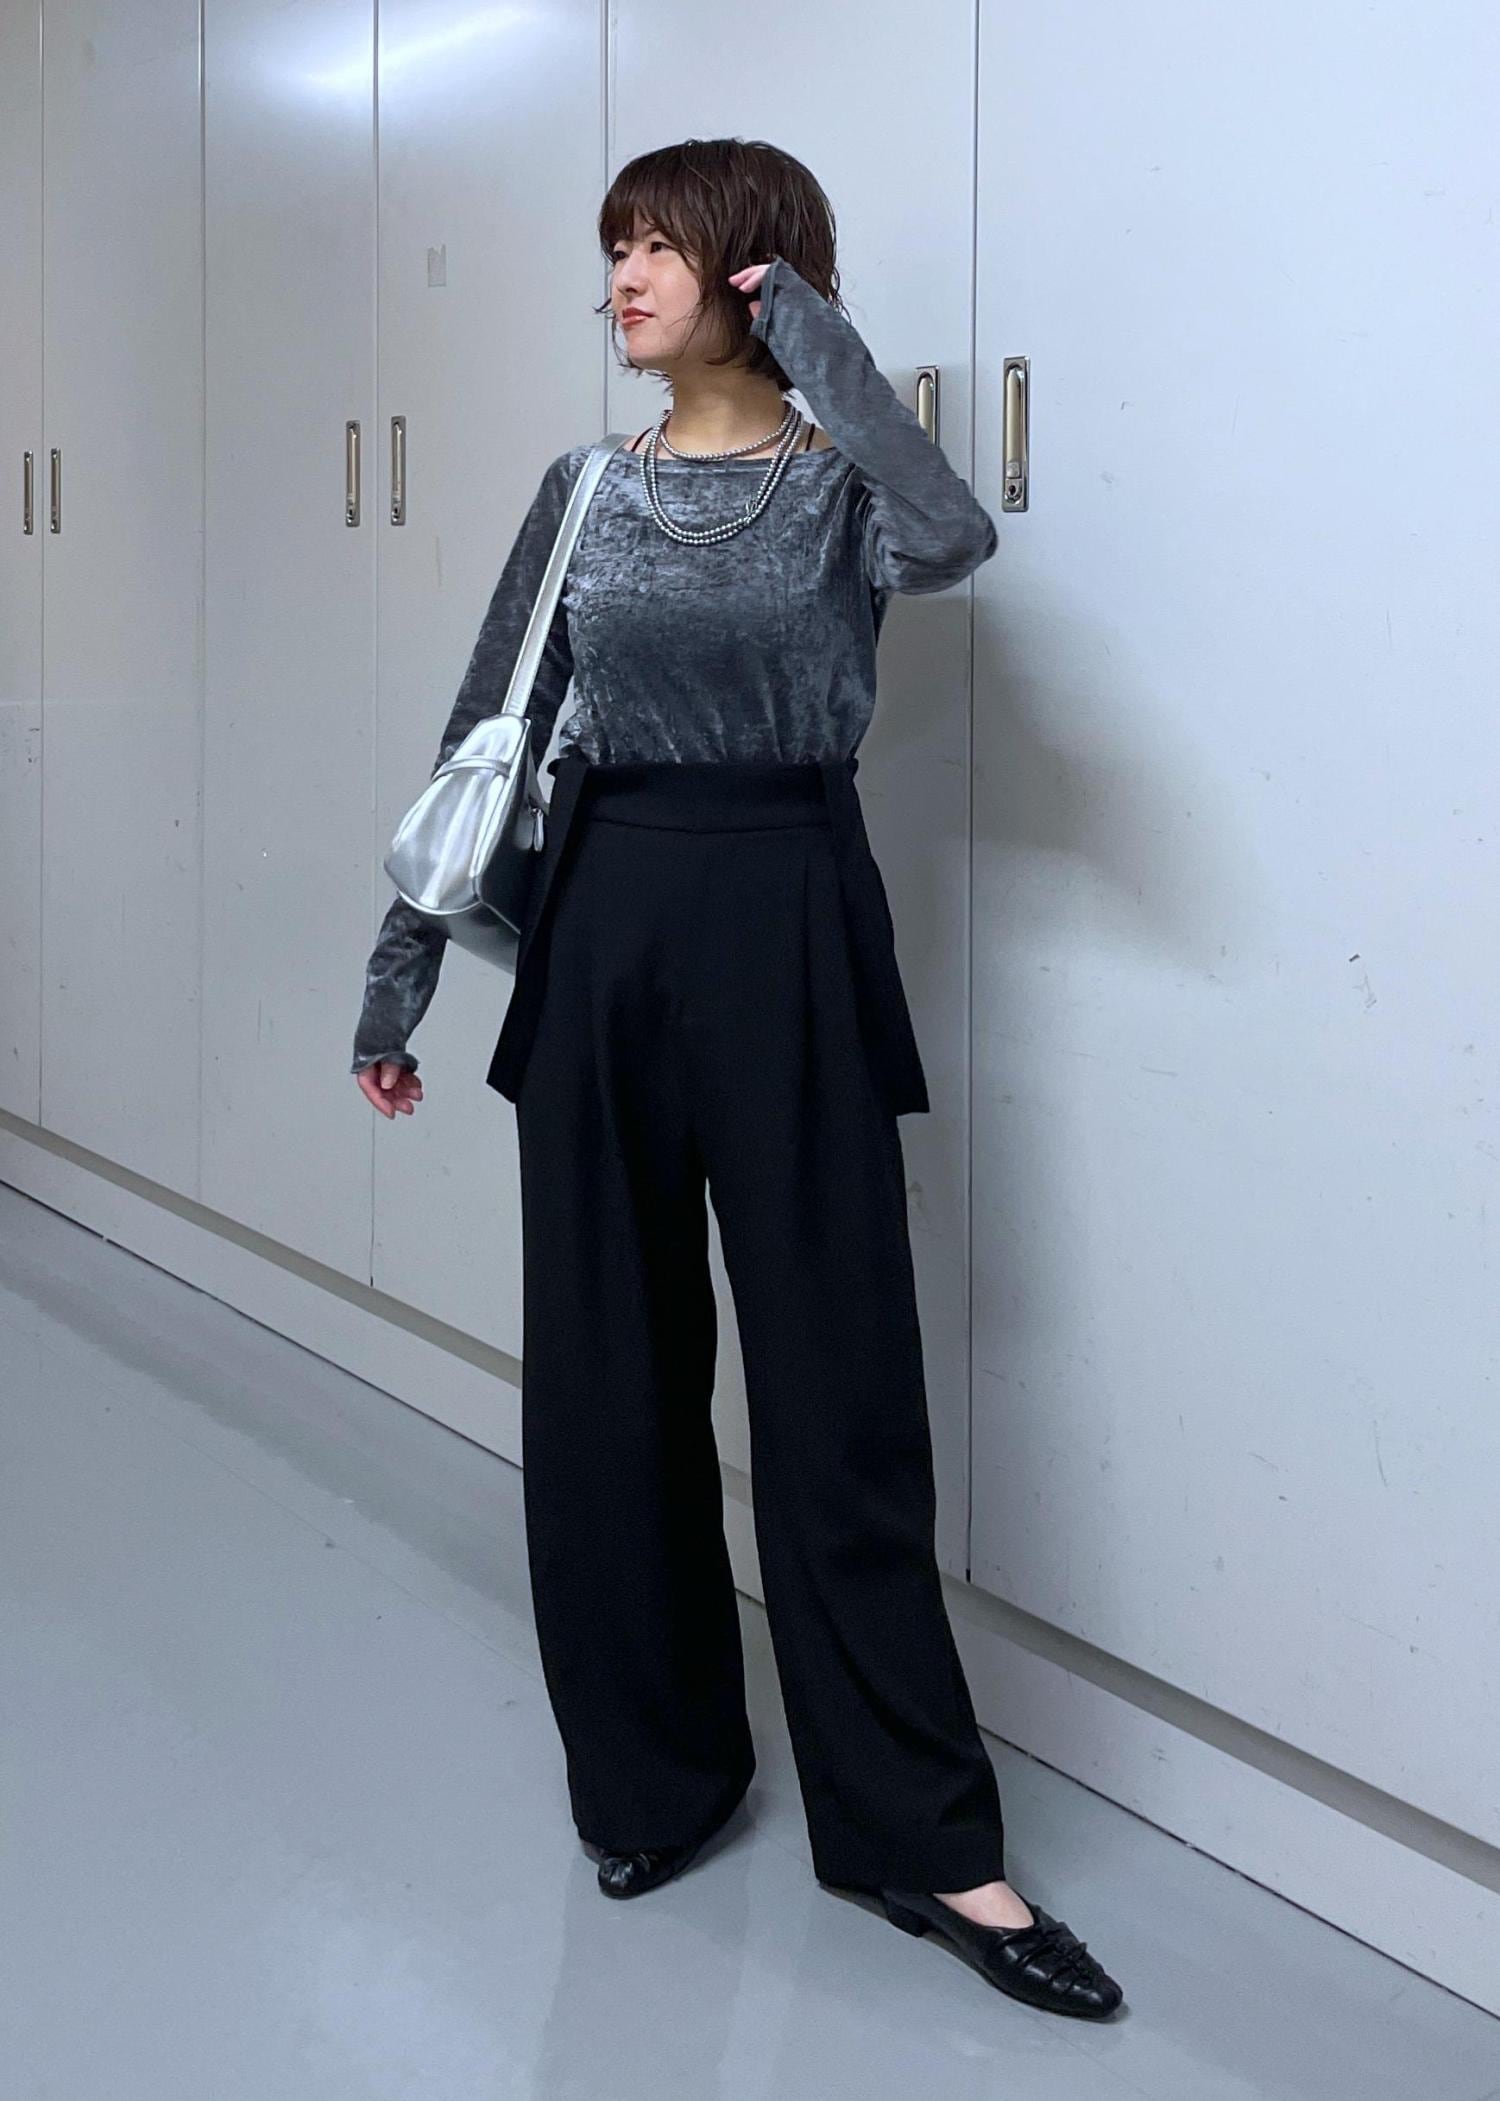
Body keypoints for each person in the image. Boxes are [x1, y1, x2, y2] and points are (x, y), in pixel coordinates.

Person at [350, 137, 1123, 2021]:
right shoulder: (584, 489)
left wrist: (826, 353)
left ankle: (923, 1837)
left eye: (659, 245)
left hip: (790, 917)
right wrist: (397, 980)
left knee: (839, 1391)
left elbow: (956, 535)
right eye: (611, 245)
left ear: (756, 269)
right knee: (609, 1383)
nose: (620, 276)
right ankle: (654, 1779)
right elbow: (491, 729)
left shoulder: (845, 485)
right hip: (606, 920)